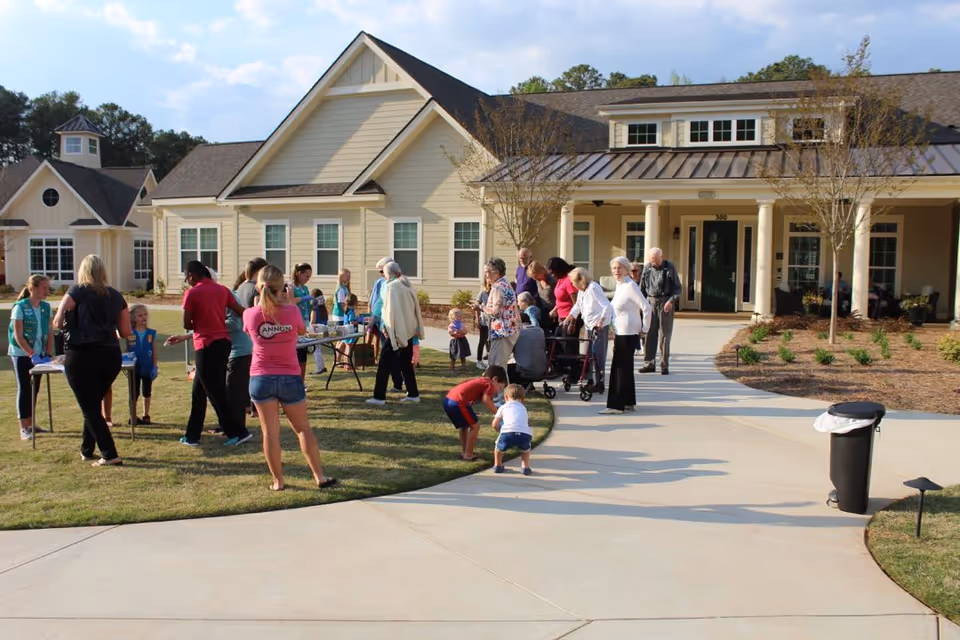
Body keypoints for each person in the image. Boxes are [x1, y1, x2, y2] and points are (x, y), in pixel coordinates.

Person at [244, 265, 337, 491]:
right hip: (289, 376)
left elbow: (250, 329)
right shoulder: (292, 311)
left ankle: (278, 482)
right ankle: (319, 477)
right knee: (303, 429)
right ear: (282, 287)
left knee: (270, 433)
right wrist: (287, 303)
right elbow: (302, 331)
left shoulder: (250, 313)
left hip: (261, 377)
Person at [53, 255, 130, 467]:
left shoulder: (76, 291)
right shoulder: (116, 296)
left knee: (89, 407)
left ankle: (110, 453)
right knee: (93, 402)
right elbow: (125, 331)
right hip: (110, 356)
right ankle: (87, 450)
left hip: (82, 355)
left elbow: (58, 322)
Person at [180, 260, 252, 446]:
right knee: (199, 390)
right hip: (223, 344)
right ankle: (192, 435)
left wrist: (203, 322)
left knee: (215, 392)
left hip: (205, 344)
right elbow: (239, 311)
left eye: (186, 277)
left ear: (191, 276)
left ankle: (237, 432)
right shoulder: (223, 290)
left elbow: (187, 324)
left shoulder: (192, 293)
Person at [367, 261, 423, 405]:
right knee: (405, 363)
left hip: (396, 332)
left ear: (388, 273)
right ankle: (413, 393)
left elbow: (389, 311)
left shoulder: (392, 287)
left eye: (383, 273)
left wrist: (387, 328)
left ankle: (379, 397)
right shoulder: (407, 284)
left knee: (384, 363)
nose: (383, 276)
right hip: (408, 330)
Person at [601, 257, 652, 415]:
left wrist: (645, 328)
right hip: (621, 331)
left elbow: (647, 308)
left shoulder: (630, 286)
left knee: (619, 368)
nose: (616, 271)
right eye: (614, 268)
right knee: (625, 367)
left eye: (619, 268)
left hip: (628, 332)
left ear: (626, 269)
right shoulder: (621, 285)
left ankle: (616, 406)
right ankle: (628, 401)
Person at [8, 274, 53, 440]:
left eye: (47, 287)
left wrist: (47, 353)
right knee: (25, 388)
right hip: (21, 354)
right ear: (32, 288)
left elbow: (49, 332)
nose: (46, 291)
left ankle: (32, 423)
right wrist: (31, 353)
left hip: (39, 355)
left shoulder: (46, 307)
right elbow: (18, 335)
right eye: (43, 287)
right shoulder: (20, 307)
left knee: (35, 388)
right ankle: (23, 427)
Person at [444, 365, 508, 462]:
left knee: (464, 426)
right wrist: (497, 413)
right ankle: (468, 454)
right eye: (499, 387)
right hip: (459, 402)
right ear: (495, 379)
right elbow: (486, 400)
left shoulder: (482, 381)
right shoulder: (489, 384)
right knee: (475, 426)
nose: (498, 391)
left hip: (449, 400)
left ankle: (465, 451)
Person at [564, 267, 613, 394]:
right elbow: (578, 305)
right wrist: (570, 316)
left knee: (598, 355)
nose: (573, 285)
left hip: (599, 326)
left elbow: (607, 306)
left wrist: (601, 321)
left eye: (574, 282)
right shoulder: (583, 290)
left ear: (581, 280)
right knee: (588, 355)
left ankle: (600, 382)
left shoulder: (593, 288)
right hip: (588, 325)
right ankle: (590, 381)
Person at [639, 247, 681, 375]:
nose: (653, 262)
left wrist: (671, 301)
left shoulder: (669, 267)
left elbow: (678, 288)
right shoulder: (647, 268)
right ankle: (649, 363)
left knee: (664, 335)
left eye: (655, 259)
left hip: (665, 302)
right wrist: (641, 304)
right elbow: (642, 288)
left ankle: (664, 364)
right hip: (650, 301)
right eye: (651, 259)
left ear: (661, 257)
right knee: (649, 334)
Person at [483, 257, 521, 373]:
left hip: (503, 331)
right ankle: (503, 391)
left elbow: (496, 312)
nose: (486, 276)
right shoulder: (504, 284)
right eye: (485, 272)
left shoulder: (499, 287)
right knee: (498, 366)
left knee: (497, 367)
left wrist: (481, 307)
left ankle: (501, 391)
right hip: (508, 329)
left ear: (497, 272)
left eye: (488, 272)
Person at [126, 304, 158, 425]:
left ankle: (146, 414)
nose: (143, 317)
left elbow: (154, 351)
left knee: (147, 391)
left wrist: (155, 366)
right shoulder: (129, 333)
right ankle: (133, 416)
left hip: (147, 368)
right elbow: (126, 349)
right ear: (133, 318)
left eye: (145, 315)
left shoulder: (151, 333)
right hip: (133, 368)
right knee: (134, 393)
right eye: (140, 315)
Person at [492, 383, 534, 475]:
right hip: (525, 434)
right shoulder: (523, 408)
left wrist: (498, 430)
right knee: (525, 450)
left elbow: (495, 423)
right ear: (522, 399)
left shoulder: (503, 407)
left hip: (507, 433)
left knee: (498, 448)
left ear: (506, 397)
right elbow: (526, 423)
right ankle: (525, 467)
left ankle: (498, 465)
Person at [290, 263, 314, 380]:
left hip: (304, 320)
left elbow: (307, 305)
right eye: (306, 276)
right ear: (299, 273)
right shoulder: (291, 286)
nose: (308, 279)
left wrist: (313, 304)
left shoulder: (304, 288)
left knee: (303, 354)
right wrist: (303, 298)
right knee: (296, 354)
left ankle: (302, 382)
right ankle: (295, 381)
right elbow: (290, 301)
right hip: (294, 322)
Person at [473, 279, 490, 369]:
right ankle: (479, 361)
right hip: (484, 321)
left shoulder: (497, 292)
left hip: (495, 322)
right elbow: (476, 306)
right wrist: (477, 319)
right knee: (482, 341)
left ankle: (491, 361)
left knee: (491, 341)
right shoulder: (483, 293)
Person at [309, 288, 327, 374]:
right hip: (323, 331)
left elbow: (312, 322)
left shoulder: (314, 309)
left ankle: (319, 368)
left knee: (316, 350)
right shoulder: (323, 308)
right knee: (319, 349)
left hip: (316, 332)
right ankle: (322, 366)